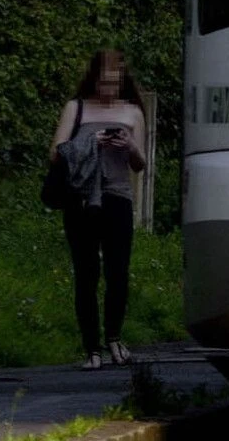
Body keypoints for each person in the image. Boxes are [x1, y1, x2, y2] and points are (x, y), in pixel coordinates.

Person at [50, 50, 149, 369]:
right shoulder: (75, 108)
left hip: (117, 197)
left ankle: (115, 338)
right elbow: (55, 153)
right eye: (104, 81)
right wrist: (91, 141)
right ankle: (91, 348)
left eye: (115, 81)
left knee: (117, 272)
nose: (109, 88)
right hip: (81, 199)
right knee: (86, 273)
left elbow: (140, 163)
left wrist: (129, 145)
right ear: (93, 78)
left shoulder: (133, 112)